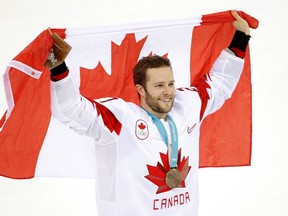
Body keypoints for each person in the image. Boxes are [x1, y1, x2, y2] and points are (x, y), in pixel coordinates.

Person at [49, 10, 251, 216]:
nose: (168, 92)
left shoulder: (188, 107)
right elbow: (74, 110)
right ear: (140, 89)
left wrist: (241, 37)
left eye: (171, 83)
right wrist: (58, 68)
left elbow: (219, 84)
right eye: (159, 85)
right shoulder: (120, 120)